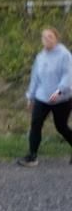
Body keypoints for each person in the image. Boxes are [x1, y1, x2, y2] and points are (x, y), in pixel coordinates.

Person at [18, 27, 72, 167]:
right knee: (36, 124)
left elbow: (68, 76)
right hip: (42, 98)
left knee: (61, 127)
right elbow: (35, 78)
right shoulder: (40, 57)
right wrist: (30, 96)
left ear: (56, 38)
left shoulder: (64, 55)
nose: (47, 39)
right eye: (44, 37)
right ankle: (32, 156)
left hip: (61, 99)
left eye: (50, 37)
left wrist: (58, 92)